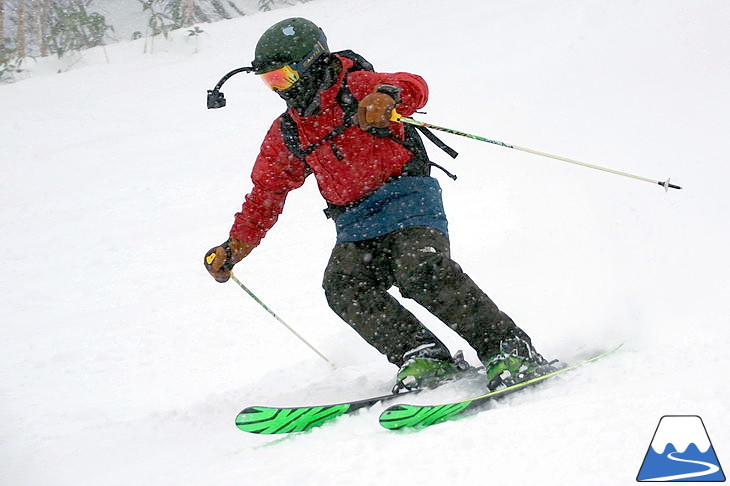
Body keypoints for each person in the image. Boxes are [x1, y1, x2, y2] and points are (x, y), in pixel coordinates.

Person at [204, 17, 555, 392]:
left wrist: (385, 97)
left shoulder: (356, 87)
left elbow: (414, 86)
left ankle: (507, 347)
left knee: (419, 268)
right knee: (343, 287)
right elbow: (266, 193)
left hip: (407, 197)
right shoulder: (289, 129)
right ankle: (422, 355)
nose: (279, 89)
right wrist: (236, 246)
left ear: (311, 63)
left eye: (283, 77)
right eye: (270, 81)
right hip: (355, 220)